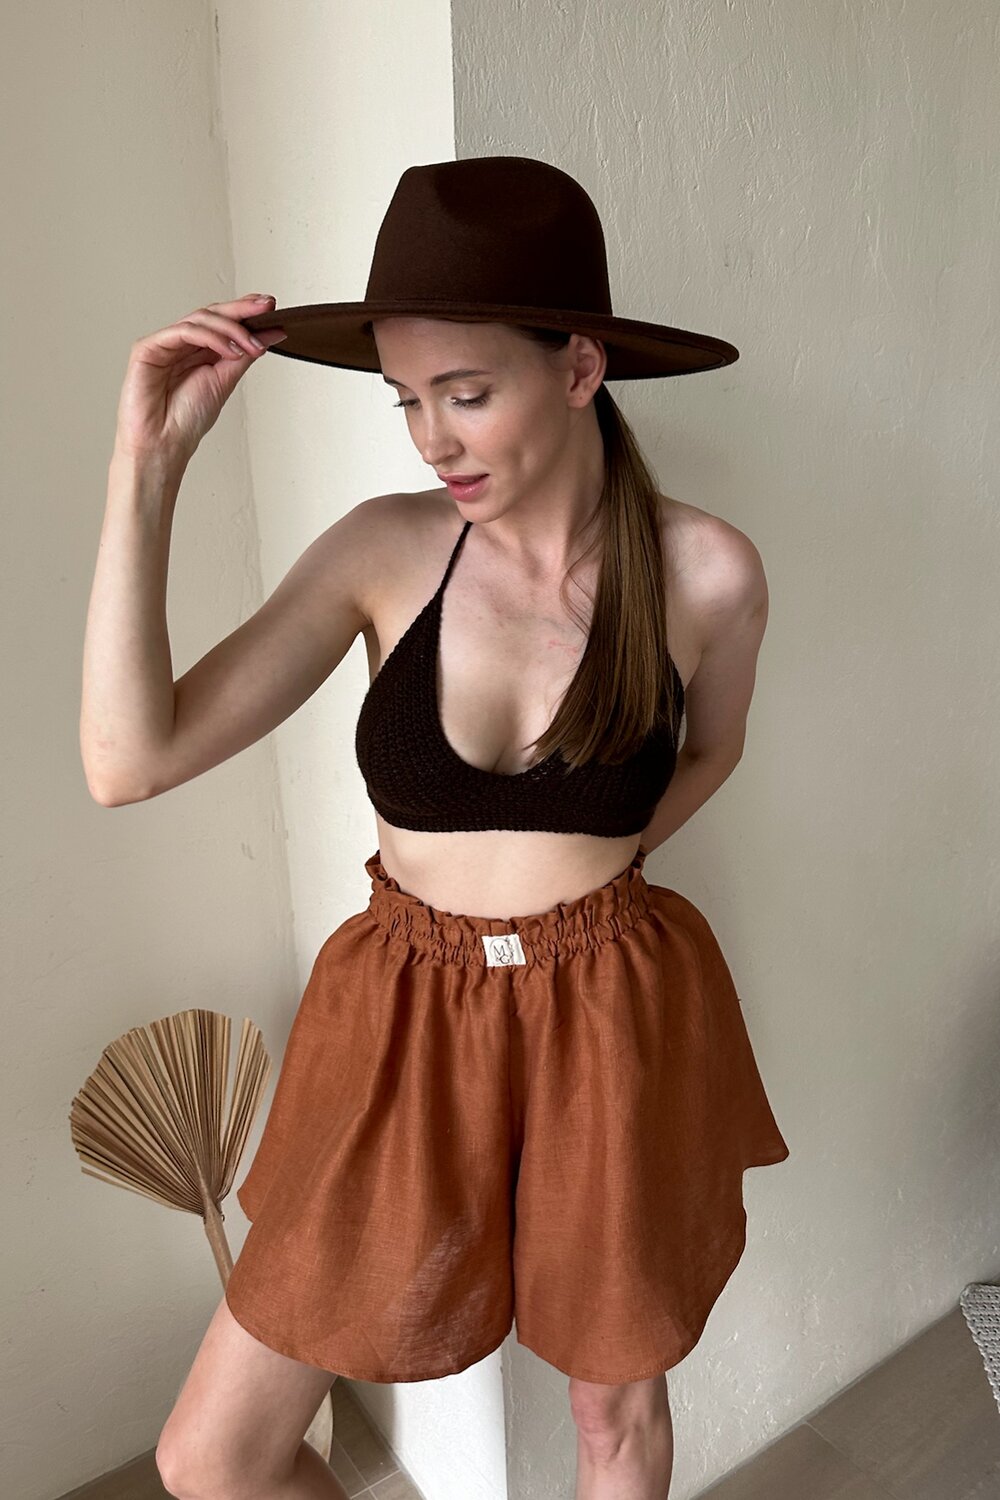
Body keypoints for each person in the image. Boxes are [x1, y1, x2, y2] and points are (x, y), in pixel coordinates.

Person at [81, 156, 790, 1500]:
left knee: (612, 1416)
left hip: (613, 1008)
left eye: (465, 394)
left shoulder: (708, 571)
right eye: (407, 400)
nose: (430, 442)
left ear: (579, 368)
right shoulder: (383, 552)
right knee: (215, 1457)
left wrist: (599, 872)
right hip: (401, 1010)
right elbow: (130, 759)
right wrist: (147, 465)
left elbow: (714, 748)